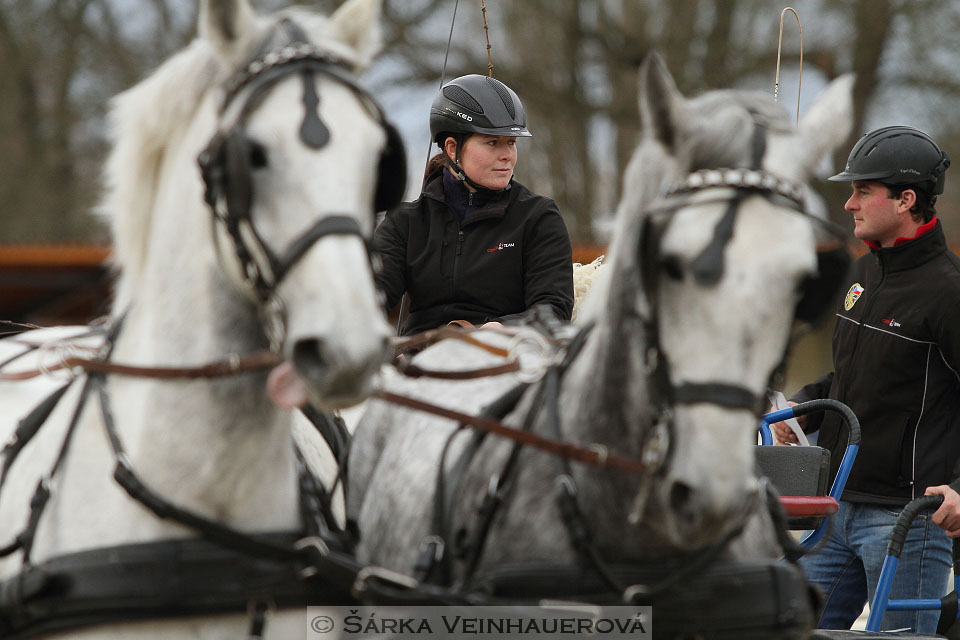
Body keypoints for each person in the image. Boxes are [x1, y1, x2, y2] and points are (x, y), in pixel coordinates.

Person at [772, 126, 960, 633]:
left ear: (906, 200)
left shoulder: (950, 291)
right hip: (834, 506)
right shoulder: (860, 275)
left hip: (908, 520)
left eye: (862, 190)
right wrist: (801, 411)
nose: (850, 203)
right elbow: (855, 376)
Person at [373, 74, 574, 336]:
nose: (507, 156)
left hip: (509, 357)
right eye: (492, 142)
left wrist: (501, 329)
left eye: (511, 143)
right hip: (418, 361)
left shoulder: (538, 217)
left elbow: (554, 308)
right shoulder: (405, 222)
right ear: (453, 148)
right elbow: (368, 302)